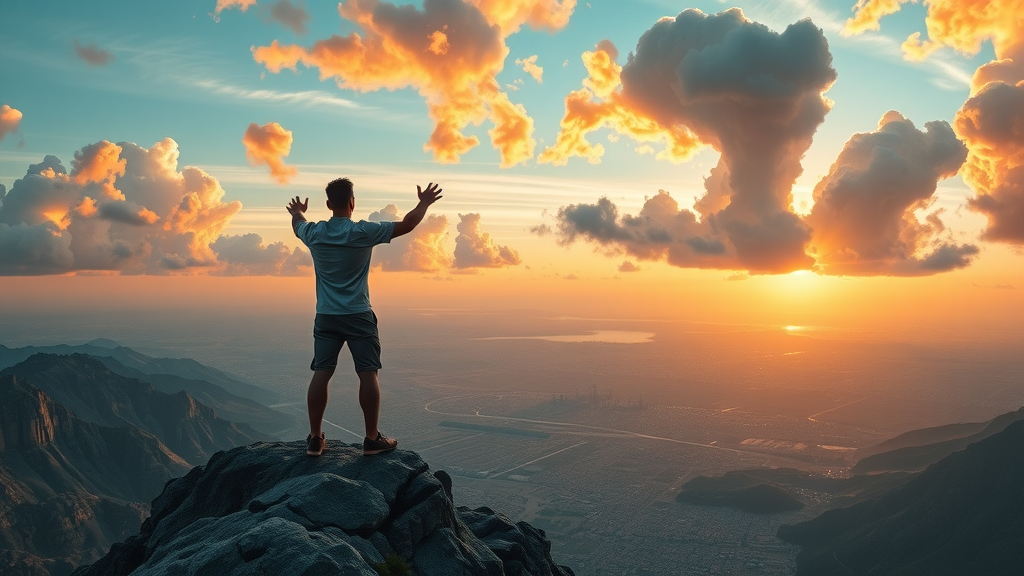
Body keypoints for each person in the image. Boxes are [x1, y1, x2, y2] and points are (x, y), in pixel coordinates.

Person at [287, 177, 442, 457]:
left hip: (326, 316)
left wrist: (298, 210)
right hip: (358, 314)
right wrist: (424, 203)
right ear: (352, 203)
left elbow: (297, 224)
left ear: (328, 204)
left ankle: (314, 438)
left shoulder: (314, 233)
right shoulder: (363, 232)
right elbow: (407, 225)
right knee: (368, 374)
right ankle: (372, 439)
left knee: (321, 373)